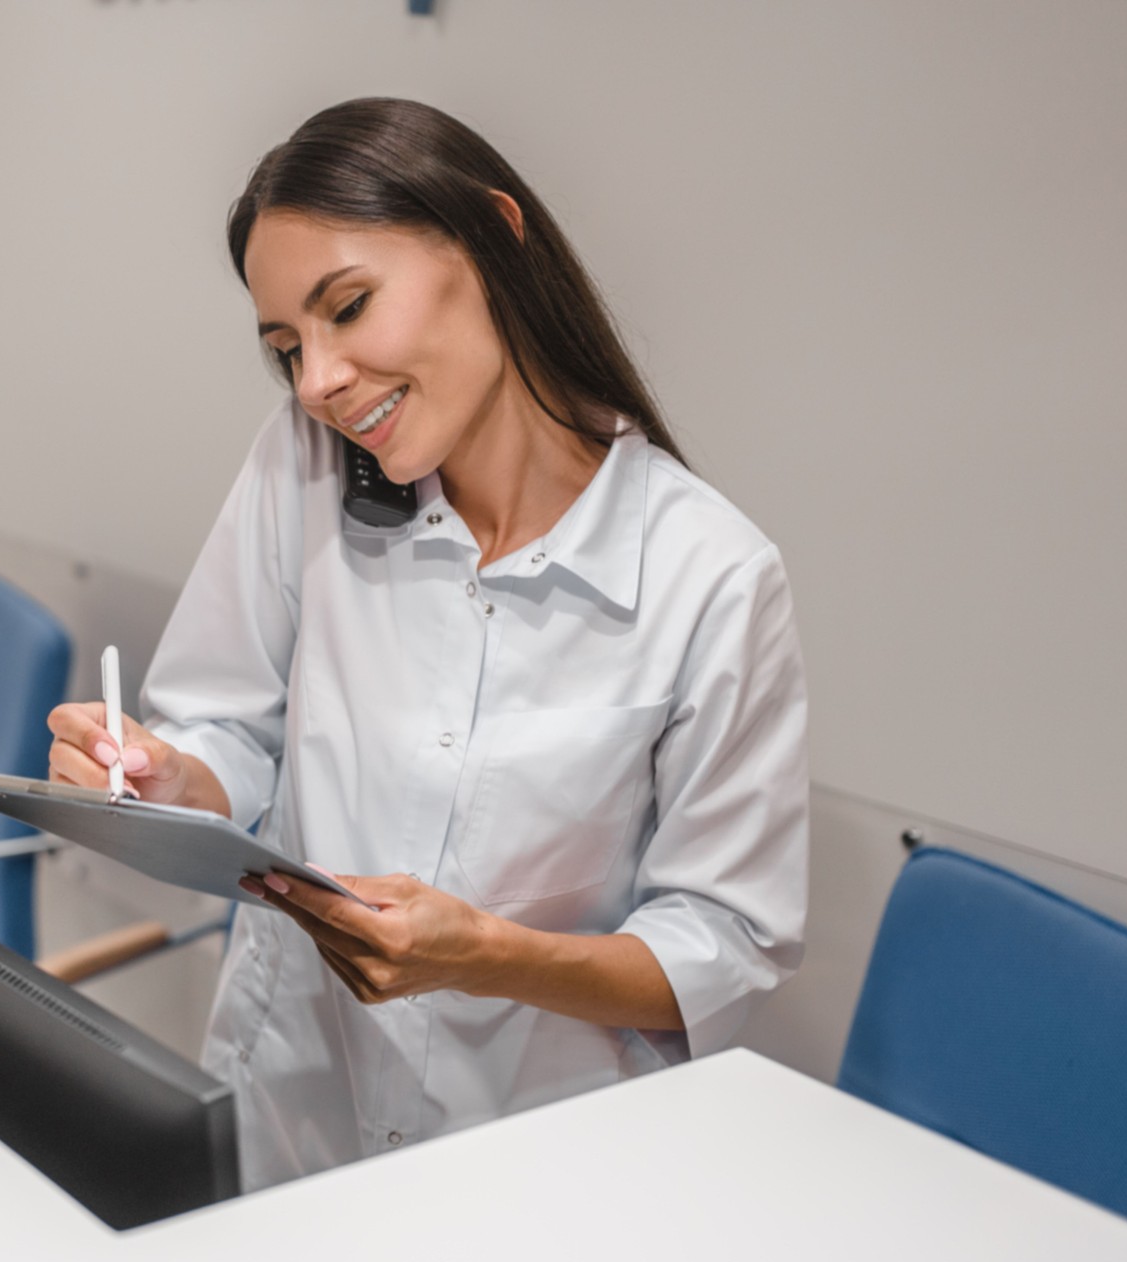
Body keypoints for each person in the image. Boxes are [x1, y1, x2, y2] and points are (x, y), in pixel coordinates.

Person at [48, 98, 808, 1192]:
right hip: (301, 1117)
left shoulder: (713, 579)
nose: (316, 380)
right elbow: (232, 724)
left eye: (347, 308)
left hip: (540, 1169)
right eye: (286, 347)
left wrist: (490, 956)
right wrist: (172, 774)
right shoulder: (301, 467)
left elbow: (721, 944)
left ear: (495, 236)